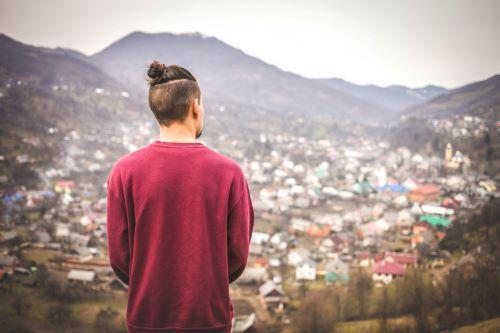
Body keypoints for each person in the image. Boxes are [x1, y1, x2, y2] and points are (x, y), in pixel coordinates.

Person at [106, 61, 254, 333]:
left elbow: (119, 256)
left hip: (147, 315)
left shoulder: (124, 171)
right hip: (208, 316)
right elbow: (237, 256)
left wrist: (146, 279)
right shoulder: (229, 172)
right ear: (195, 107)